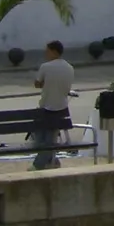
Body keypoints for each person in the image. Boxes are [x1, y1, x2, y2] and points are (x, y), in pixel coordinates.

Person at [31, 41, 74, 170]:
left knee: (43, 140)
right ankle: (52, 160)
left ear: (54, 51)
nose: (46, 53)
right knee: (49, 138)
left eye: (47, 51)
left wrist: (46, 83)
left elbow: (37, 83)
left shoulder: (46, 66)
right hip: (62, 108)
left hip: (46, 107)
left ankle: (37, 165)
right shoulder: (69, 68)